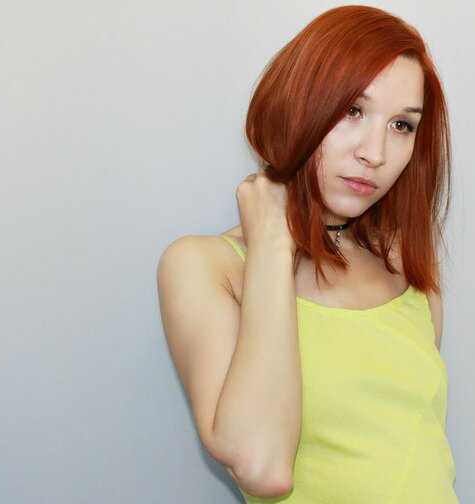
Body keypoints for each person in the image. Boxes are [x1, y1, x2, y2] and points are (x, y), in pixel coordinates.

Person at [157, 5, 456, 502]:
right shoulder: (206, 266)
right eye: (352, 111)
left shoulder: (403, 262)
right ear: (297, 103)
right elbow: (261, 468)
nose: (375, 153)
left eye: (402, 125)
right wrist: (272, 245)